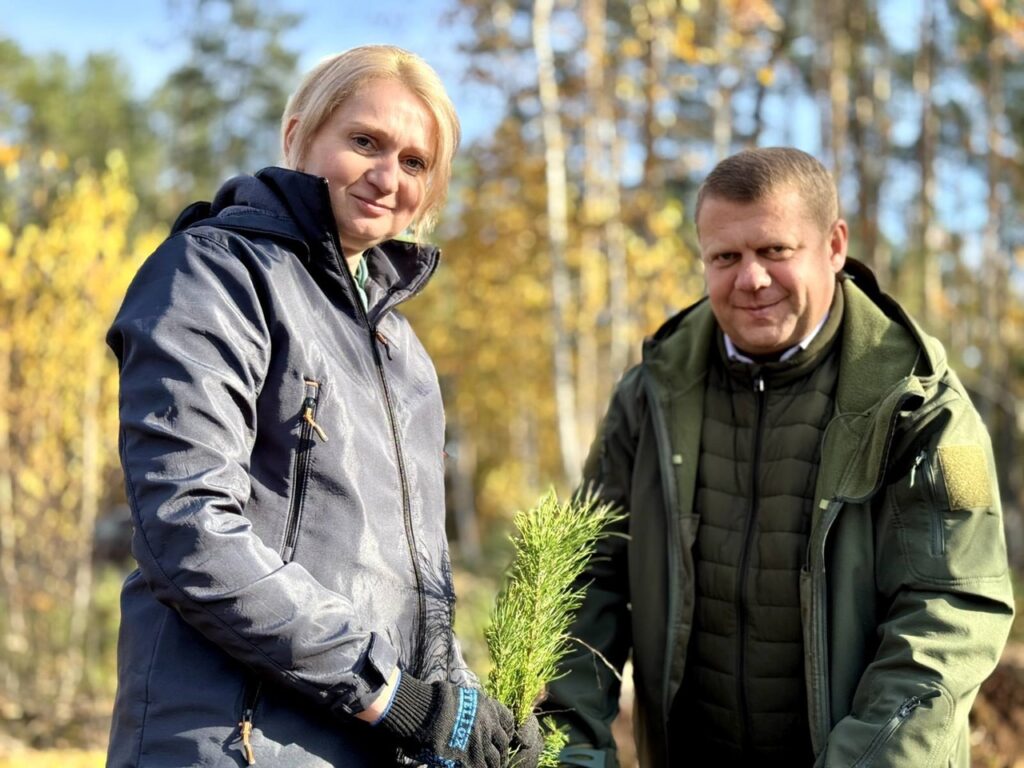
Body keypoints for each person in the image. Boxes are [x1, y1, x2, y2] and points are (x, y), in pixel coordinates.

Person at [106, 45, 540, 768]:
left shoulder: (403, 353)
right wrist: (388, 692)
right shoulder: (214, 273)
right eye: (364, 142)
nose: (385, 176)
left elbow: (414, 586)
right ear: (298, 135)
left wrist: (464, 711)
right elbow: (188, 526)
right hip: (229, 744)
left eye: (414, 162)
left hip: (355, 744)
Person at [542, 147, 1014, 767]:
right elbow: (586, 584)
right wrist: (569, 753)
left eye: (774, 251)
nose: (751, 280)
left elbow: (949, 614)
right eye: (725, 257)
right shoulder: (649, 396)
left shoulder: (920, 404)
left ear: (835, 246)